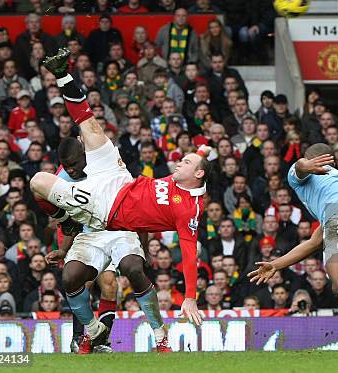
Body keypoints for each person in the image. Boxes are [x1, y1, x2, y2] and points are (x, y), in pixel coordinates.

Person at [31, 49, 207, 329]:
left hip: (107, 210)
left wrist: (190, 297)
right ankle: (64, 75)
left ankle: (147, 332)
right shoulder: (174, 180)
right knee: (80, 135)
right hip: (115, 176)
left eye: (186, 160)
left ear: (196, 174)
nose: (178, 160)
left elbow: (189, 252)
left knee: (111, 281)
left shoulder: (188, 208)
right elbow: (198, 162)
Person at [249, 143, 338, 352]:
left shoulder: (304, 175)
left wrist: (305, 164)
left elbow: (299, 166)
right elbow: (313, 243)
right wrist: (276, 264)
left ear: (313, 159)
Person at [44, 137, 167, 353]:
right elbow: (67, 219)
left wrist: (145, 248)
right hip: (89, 235)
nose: (71, 170)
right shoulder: (62, 179)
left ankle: (101, 340)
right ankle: (80, 338)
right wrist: (63, 249)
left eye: (74, 164)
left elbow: (136, 208)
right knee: (82, 282)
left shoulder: (107, 163)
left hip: (119, 231)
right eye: (67, 166)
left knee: (110, 284)